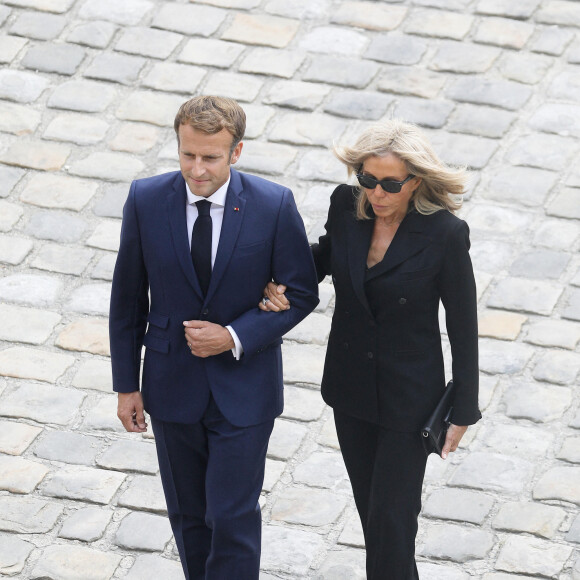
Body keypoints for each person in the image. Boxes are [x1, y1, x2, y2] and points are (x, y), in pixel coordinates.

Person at [109, 95, 319, 580]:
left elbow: (303, 291)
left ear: (237, 152)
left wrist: (234, 335)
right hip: (169, 384)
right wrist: (126, 385)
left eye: (211, 157)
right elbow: (127, 301)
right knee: (188, 516)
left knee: (232, 516)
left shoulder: (272, 205)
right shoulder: (145, 199)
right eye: (188, 155)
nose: (197, 169)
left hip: (244, 390)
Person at [261, 119, 480, 579]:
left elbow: (463, 324)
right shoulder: (347, 206)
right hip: (352, 390)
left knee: (391, 522)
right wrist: (276, 278)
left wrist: (463, 409)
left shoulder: (444, 234)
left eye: (390, 184)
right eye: (367, 179)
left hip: (408, 399)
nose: (376, 193)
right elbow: (324, 255)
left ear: (416, 181)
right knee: (374, 519)